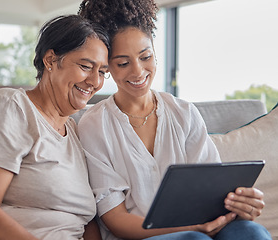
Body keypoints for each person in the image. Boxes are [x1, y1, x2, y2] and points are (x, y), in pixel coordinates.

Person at [77, 1, 271, 240]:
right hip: (143, 235)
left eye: (146, 56)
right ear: (107, 66)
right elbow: (116, 220)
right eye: (123, 63)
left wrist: (239, 206)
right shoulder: (94, 125)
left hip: (199, 228)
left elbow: (212, 193)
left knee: (250, 232)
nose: (138, 72)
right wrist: (192, 230)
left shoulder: (183, 113)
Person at [0, 15, 109, 240]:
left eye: (102, 72)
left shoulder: (75, 132)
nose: (95, 81)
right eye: (86, 66)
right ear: (51, 61)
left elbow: (83, 221)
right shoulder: (10, 106)